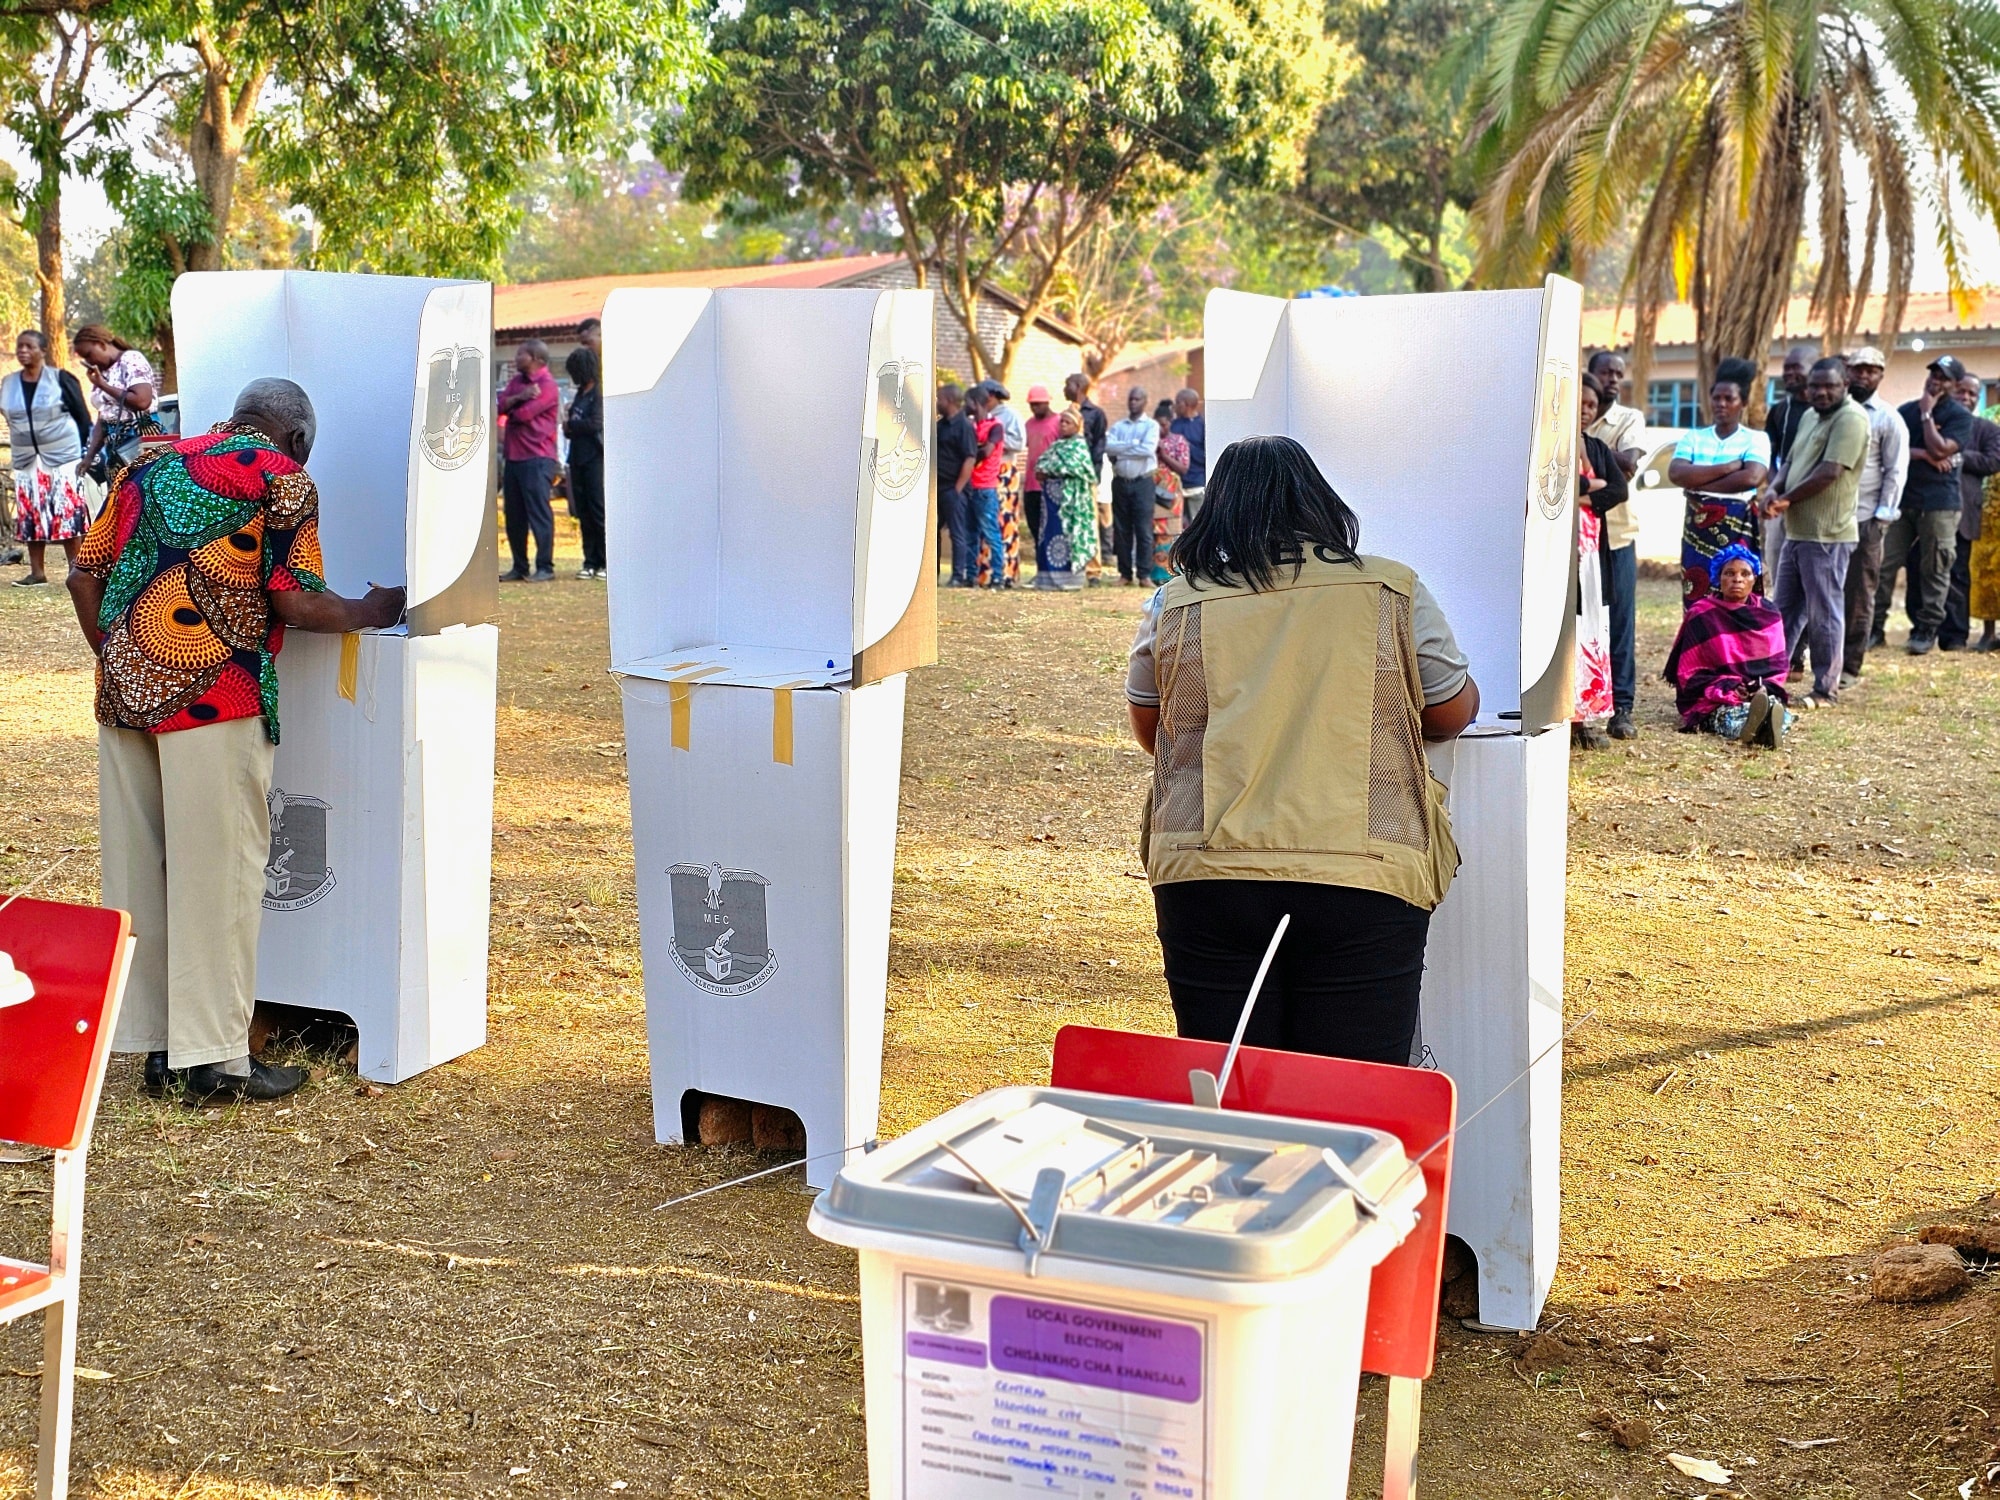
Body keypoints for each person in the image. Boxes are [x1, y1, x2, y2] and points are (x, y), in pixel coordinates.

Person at [67, 378, 405, 1103]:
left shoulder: (146, 462)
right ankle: (217, 1061)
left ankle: (159, 1050)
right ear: (298, 439)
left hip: (126, 697)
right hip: (216, 698)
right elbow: (295, 600)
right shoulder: (283, 479)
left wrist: (123, 657)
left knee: (142, 873)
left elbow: (79, 575)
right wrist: (370, 610)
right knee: (217, 874)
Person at [1125, 435, 1478, 1065]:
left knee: (1231, 1097)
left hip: (1208, 874)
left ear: (1218, 510)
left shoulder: (1175, 601)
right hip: (1364, 870)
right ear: (1320, 502)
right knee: (1354, 1093)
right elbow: (1452, 712)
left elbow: (1157, 735)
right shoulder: (1391, 589)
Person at [1766, 357, 1866, 705]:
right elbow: (1790, 462)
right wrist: (1773, 490)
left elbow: (1829, 471)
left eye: (1830, 386)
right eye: (1816, 386)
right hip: (1796, 531)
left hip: (1827, 535)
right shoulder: (1809, 415)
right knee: (1784, 610)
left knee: (1824, 612)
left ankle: (1825, 689)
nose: (1822, 393)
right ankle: (1770, 681)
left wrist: (1786, 500)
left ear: (1845, 386)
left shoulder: (1851, 419)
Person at [1879, 355, 1974, 654]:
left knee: (1935, 567)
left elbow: (1942, 447)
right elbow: (1889, 448)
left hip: (1940, 504)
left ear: (1955, 384)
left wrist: (1926, 415)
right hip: (1903, 500)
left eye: (1944, 377)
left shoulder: (1960, 416)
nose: (1935, 380)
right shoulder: (1904, 411)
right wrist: (1921, 455)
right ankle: (1872, 627)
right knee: (1884, 564)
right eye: (1933, 373)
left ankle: (1926, 629)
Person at [1662, 544, 1792, 746]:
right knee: (1728, 713)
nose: (1737, 579)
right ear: (1718, 578)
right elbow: (1690, 671)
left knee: (1775, 707)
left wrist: (1759, 688)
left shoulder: (1769, 614)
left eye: (1745, 573)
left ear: (1754, 579)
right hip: (1716, 694)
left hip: (1760, 691)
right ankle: (1758, 729)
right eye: (1729, 573)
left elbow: (1777, 666)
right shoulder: (1702, 614)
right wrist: (1729, 686)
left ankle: (1764, 726)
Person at [1670, 357, 1772, 606]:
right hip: (1698, 527)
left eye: (1729, 399)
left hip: (1737, 524)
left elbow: (1752, 477)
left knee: (1738, 586)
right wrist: (1728, 467)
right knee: (1697, 588)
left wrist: (1697, 483)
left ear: (1744, 403)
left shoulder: (1756, 439)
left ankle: (1736, 645)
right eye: (1716, 398)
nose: (1721, 404)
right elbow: (1676, 473)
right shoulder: (1693, 437)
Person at [1585, 350, 1647, 738]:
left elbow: (1629, 464)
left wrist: (1583, 445)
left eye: (1618, 374)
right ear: (1589, 375)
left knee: (1620, 620)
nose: (1612, 379)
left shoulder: (1629, 419)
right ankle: (1584, 705)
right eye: (1605, 371)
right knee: (1587, 621)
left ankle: (1621, 708)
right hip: (1577, 539)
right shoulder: (1573, 413)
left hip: (1617, 534)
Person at [1839, 346, 1909, 683]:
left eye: (1871, 370)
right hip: (1829, 519)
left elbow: (1896, 471)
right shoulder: (1833, 411)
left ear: (1881, 375)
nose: (1864, 375)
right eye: (1858, 369)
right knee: (1826, 592)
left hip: (1866, 519)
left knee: (1859, 595)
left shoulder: (1888, 418)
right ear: (1848, 371)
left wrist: (1881, 519)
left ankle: (1850, 666)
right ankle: (1824, 659)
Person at [4, 328, 93, 586]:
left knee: (66, 511)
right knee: (30, 511)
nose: (23, 351)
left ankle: (75, 571)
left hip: (62, 457)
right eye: (20, 346)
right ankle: (37, 573)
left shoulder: (61, 379)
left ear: (43, 350)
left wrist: (85, 454)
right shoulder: (8, 384)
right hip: (26, 458)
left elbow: (83, 418)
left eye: (29, 346)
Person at [1573, 373, 1627, 748]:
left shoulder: (1596, 448)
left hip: (1592, 554)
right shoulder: (1548, 447)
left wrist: (1580, 495)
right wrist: (1593, 487)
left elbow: (1619, 489)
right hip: (1558, 558)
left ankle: (1584, 719)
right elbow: (1559, 487)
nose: (1585, 411)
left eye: (1592, 405)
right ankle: (1563, 715)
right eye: (1579, 403)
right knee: (1564, 632)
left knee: (1590, 628)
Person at [1940, 373, 2000, 650]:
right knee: (1984, 572)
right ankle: (1987, 633)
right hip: (1988, 507)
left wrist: (1960, 456)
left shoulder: (1984, 424)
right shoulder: (1989, 416)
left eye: (1971, 393)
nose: (1965, 398)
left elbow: (1989, 458)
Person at [498, 340, 561, 582]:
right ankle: (519, 566)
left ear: (535, 358)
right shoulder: (518, 384)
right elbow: (501, 404)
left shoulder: (548, 386)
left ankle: (545, 567)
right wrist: (520, 396)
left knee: (539, 514)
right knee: (513, 514)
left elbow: (523, 415)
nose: (516, 357)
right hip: (514, 457)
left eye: (521, 354)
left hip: (537, 458)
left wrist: (512, 406)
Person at [73, 323, 159, 481]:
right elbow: (105, 417)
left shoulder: (131, 359)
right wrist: (89, 457)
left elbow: (141, 401)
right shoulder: (104, 371)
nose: (89, 360)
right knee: (120, 502)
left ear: (100, 344)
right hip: (115, 452)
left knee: (141, 497)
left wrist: (103, 386)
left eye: (89, 354)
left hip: (140, 444)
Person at [1031, 407, 1097, 590]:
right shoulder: (1056, 446)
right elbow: (1041, 464)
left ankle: (1070, 580)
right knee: (1050, 535)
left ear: (1077, 426)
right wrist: (1044, 471)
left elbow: (1079, 469)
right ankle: (1047, 580)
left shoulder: (1079, 447)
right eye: (1061, 421)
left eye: (1068, 422)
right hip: (1051, 504)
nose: (1063, 425)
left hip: (1071, 505)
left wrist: (1051, 470)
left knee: (1068, 536)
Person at [1105, 386, 1160, 585]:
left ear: (1145, 402)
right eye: (1131, 399)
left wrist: (1122, 449)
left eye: (1137, 399)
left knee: (1144, 530)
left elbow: (1147, 450)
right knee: (1121, 530)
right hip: (1120, 483)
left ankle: (1144, 574)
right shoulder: (1119, 426)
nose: (1133, 402)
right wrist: (1133, 445)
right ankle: (1125, 574)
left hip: (1142, 483)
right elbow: (1107, 446)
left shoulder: (1151, 426)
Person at [563, 346, 606, 580]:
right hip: (577, 457)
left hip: (594, 459)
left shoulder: (598, 394)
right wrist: (569, 428)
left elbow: (595, 424)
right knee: (584, 512)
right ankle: (589, 561)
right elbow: (573, 427)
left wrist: (572, 426)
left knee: (598, 510)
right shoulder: (580, 394)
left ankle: (605, 561)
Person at [1066, 372, 1110, 582]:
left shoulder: (1096, 414)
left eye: (1067, 385)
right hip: (1069, 478)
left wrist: (1092, 474)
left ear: (1077, 386)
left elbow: (1099, 446)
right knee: (1070, 521)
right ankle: (1073, 566)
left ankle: (1093, 570)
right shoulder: (1066, 414)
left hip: (1087, 476)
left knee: (1090, 522)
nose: (1064, 389)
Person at [935, 383, 979, 587]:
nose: (937, 402)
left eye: (940, 399)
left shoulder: (965, 426)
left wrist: (957, 489)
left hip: (954, 489)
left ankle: (958, 575)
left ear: (950, 401)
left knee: (957, 532)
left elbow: (970, 459)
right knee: (933, 532)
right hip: (938, 487)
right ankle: (932, 574)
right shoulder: (940, 425)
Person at [965, 384, 1008, 590]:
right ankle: (970, 576)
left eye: (967, 402)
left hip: (985, 487)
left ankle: (999, 576)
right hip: (970, 486)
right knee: (970, 534)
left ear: (976, 403)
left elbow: (986, 451)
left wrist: (969, 453)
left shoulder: (995, 426)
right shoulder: (970, 426)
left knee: (991, 533)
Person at [1152, 400, 1188, 585]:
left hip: (1171, 491)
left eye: (1164, 425)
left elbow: (1183, 468)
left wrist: (1163, 455)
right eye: (1157, 424)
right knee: (1153, 530)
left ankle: (1168, 573)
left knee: (1169, 530)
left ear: (1170, 423)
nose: (1160, 428)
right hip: (1152, 487)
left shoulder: (1178, 441)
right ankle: (1153, 573)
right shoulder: (1149, 440)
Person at [1022, 385, 1061, 548]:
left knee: (1050, 528)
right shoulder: (1029, 424)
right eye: (1032, 404)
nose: (1035, 407)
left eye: (1038, 404)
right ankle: (1040, 567)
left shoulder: (1059, 422)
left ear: (1047, 402)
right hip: (1031, 484)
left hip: (1049, 484)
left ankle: (1049, 568)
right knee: (1034, 527)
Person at [1170, 388, 1207, 491]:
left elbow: (1206, 457)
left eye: (1178, 402)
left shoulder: (1202, 426)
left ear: (1187, 404)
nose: (1175, 406)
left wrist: (1187, 446)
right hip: (1174, 484)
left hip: (1196, 483)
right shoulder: (1173, 425)